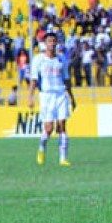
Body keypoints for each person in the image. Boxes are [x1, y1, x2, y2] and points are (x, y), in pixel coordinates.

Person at [28, 31, 76, 166]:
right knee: (48, 129)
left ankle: (63, 158)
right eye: (49, 41)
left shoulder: (62, 60)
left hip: (60, 95)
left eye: (54, 41)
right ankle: (42, 148)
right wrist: (30, 97)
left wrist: (72, 98)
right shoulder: (38, 60)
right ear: (45, 43)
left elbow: (67, 80)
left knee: (62, 126)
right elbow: (33, 80)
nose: (52, 44)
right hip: (46, 96)